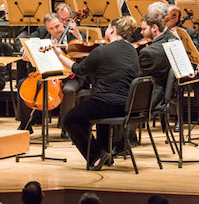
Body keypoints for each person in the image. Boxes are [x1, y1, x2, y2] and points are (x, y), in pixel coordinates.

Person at [54, 16, 139, 170]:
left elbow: (79, 70)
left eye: (107, 27)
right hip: (128, 104)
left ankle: (95, 155)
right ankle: (105, 156)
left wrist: (59, 55)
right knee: (97, 114)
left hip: (108, 102)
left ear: (112, 30)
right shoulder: (132, 50)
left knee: (70, 120)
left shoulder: (102, 50)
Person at [18, 13, 84, 135]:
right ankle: (25, 126)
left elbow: (86, 54)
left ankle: (67, 128)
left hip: (70, 76)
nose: (55, 31)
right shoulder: (42, 34)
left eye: (57, 26)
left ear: (63, 22)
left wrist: (78, 37)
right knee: (22, 84)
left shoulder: (75, 35)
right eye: (51, 29)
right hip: (48, 75)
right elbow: (27, 44)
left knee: (68, 90)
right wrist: (27, 53)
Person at [139, 13, 176, 108]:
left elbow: (138, 77)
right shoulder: (173, 41)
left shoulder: (148, 52)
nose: (141, 33)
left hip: (150, 96)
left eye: (144, 29)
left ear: (154, 28)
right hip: (164, 92)